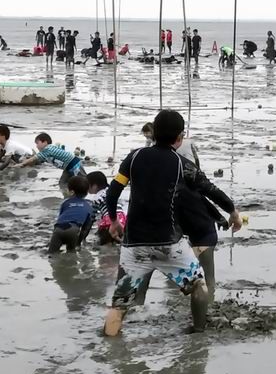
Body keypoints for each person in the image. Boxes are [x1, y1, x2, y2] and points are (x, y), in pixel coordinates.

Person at [103, 109, 208, 336]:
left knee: (120, 304)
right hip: (169, 243)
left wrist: (114, 221)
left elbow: (112, 193)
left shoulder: (134, 157)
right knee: (199, 286)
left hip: (134, 246)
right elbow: (205, 190)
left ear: (153, 132)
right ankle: (199, 335)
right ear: (180, 137)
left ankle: (110, 347)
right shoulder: (180, 163)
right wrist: (229, 212)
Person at [178, 155, 241, 303]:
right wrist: (231, 211)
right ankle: (206, 312)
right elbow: (208, 189)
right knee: (206, 278)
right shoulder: (184, 164)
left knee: (191, 279)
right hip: (198, 227)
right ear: (179, 138)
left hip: (159, 231)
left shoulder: (137, 159)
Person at [14, 133, 86, 194]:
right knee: (62, 182)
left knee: (84, 181)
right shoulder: (47, 152)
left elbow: (34, 158)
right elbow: (38, 160)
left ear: (45, 142)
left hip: (74, 164)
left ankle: (89, 191)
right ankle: (67, 195)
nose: (36, 146)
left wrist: (22, 164)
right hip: (67, 167)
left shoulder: (47, 149)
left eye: (37, 143)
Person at [49, 175, 94, 253]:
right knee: (71, 253)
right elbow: (86, 228)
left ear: (71, 191)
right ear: (87, 192)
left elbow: (60, 218)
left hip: (58, 229)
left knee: (52, 254)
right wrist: (79, 242)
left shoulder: (65, 203)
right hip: (73, 230)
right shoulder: (88, 207)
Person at [87, 171, 124, 245]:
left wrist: (84, 236)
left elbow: (91, 218)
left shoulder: (97, 198)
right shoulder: (111, 191)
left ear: (94, 186)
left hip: (109, 220)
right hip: (122, 218)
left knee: (104, 244)